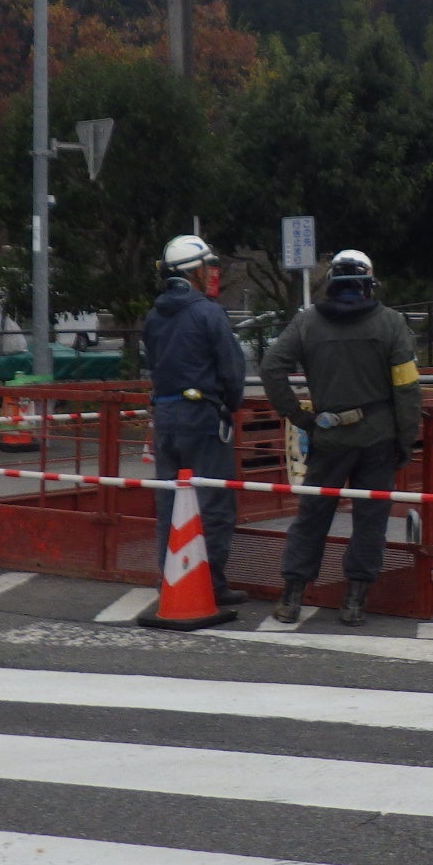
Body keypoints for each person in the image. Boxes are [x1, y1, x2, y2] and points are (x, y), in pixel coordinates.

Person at [261, 248, 422, 626]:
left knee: (313, 515)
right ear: (369, 285)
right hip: (378, 439)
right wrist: (405, 439)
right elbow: (407, 390)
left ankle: (292, 597)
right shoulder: (391, 324)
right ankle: (354, 602)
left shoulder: (307, 323)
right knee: (370, 519)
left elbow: (271, 369)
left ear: (332, 283)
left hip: (328, 438)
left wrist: (300, 417)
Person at [143, 234, 248, 606]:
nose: (210, 273)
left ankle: (171, 579)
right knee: (215, 503)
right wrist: (229, 405)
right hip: (203, 416)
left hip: (166, 416)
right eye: (207, 267)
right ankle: (211, 584)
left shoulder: (154, 316)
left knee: (170, 505)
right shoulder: (208, 313)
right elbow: (233, 370)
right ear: (195, 272)